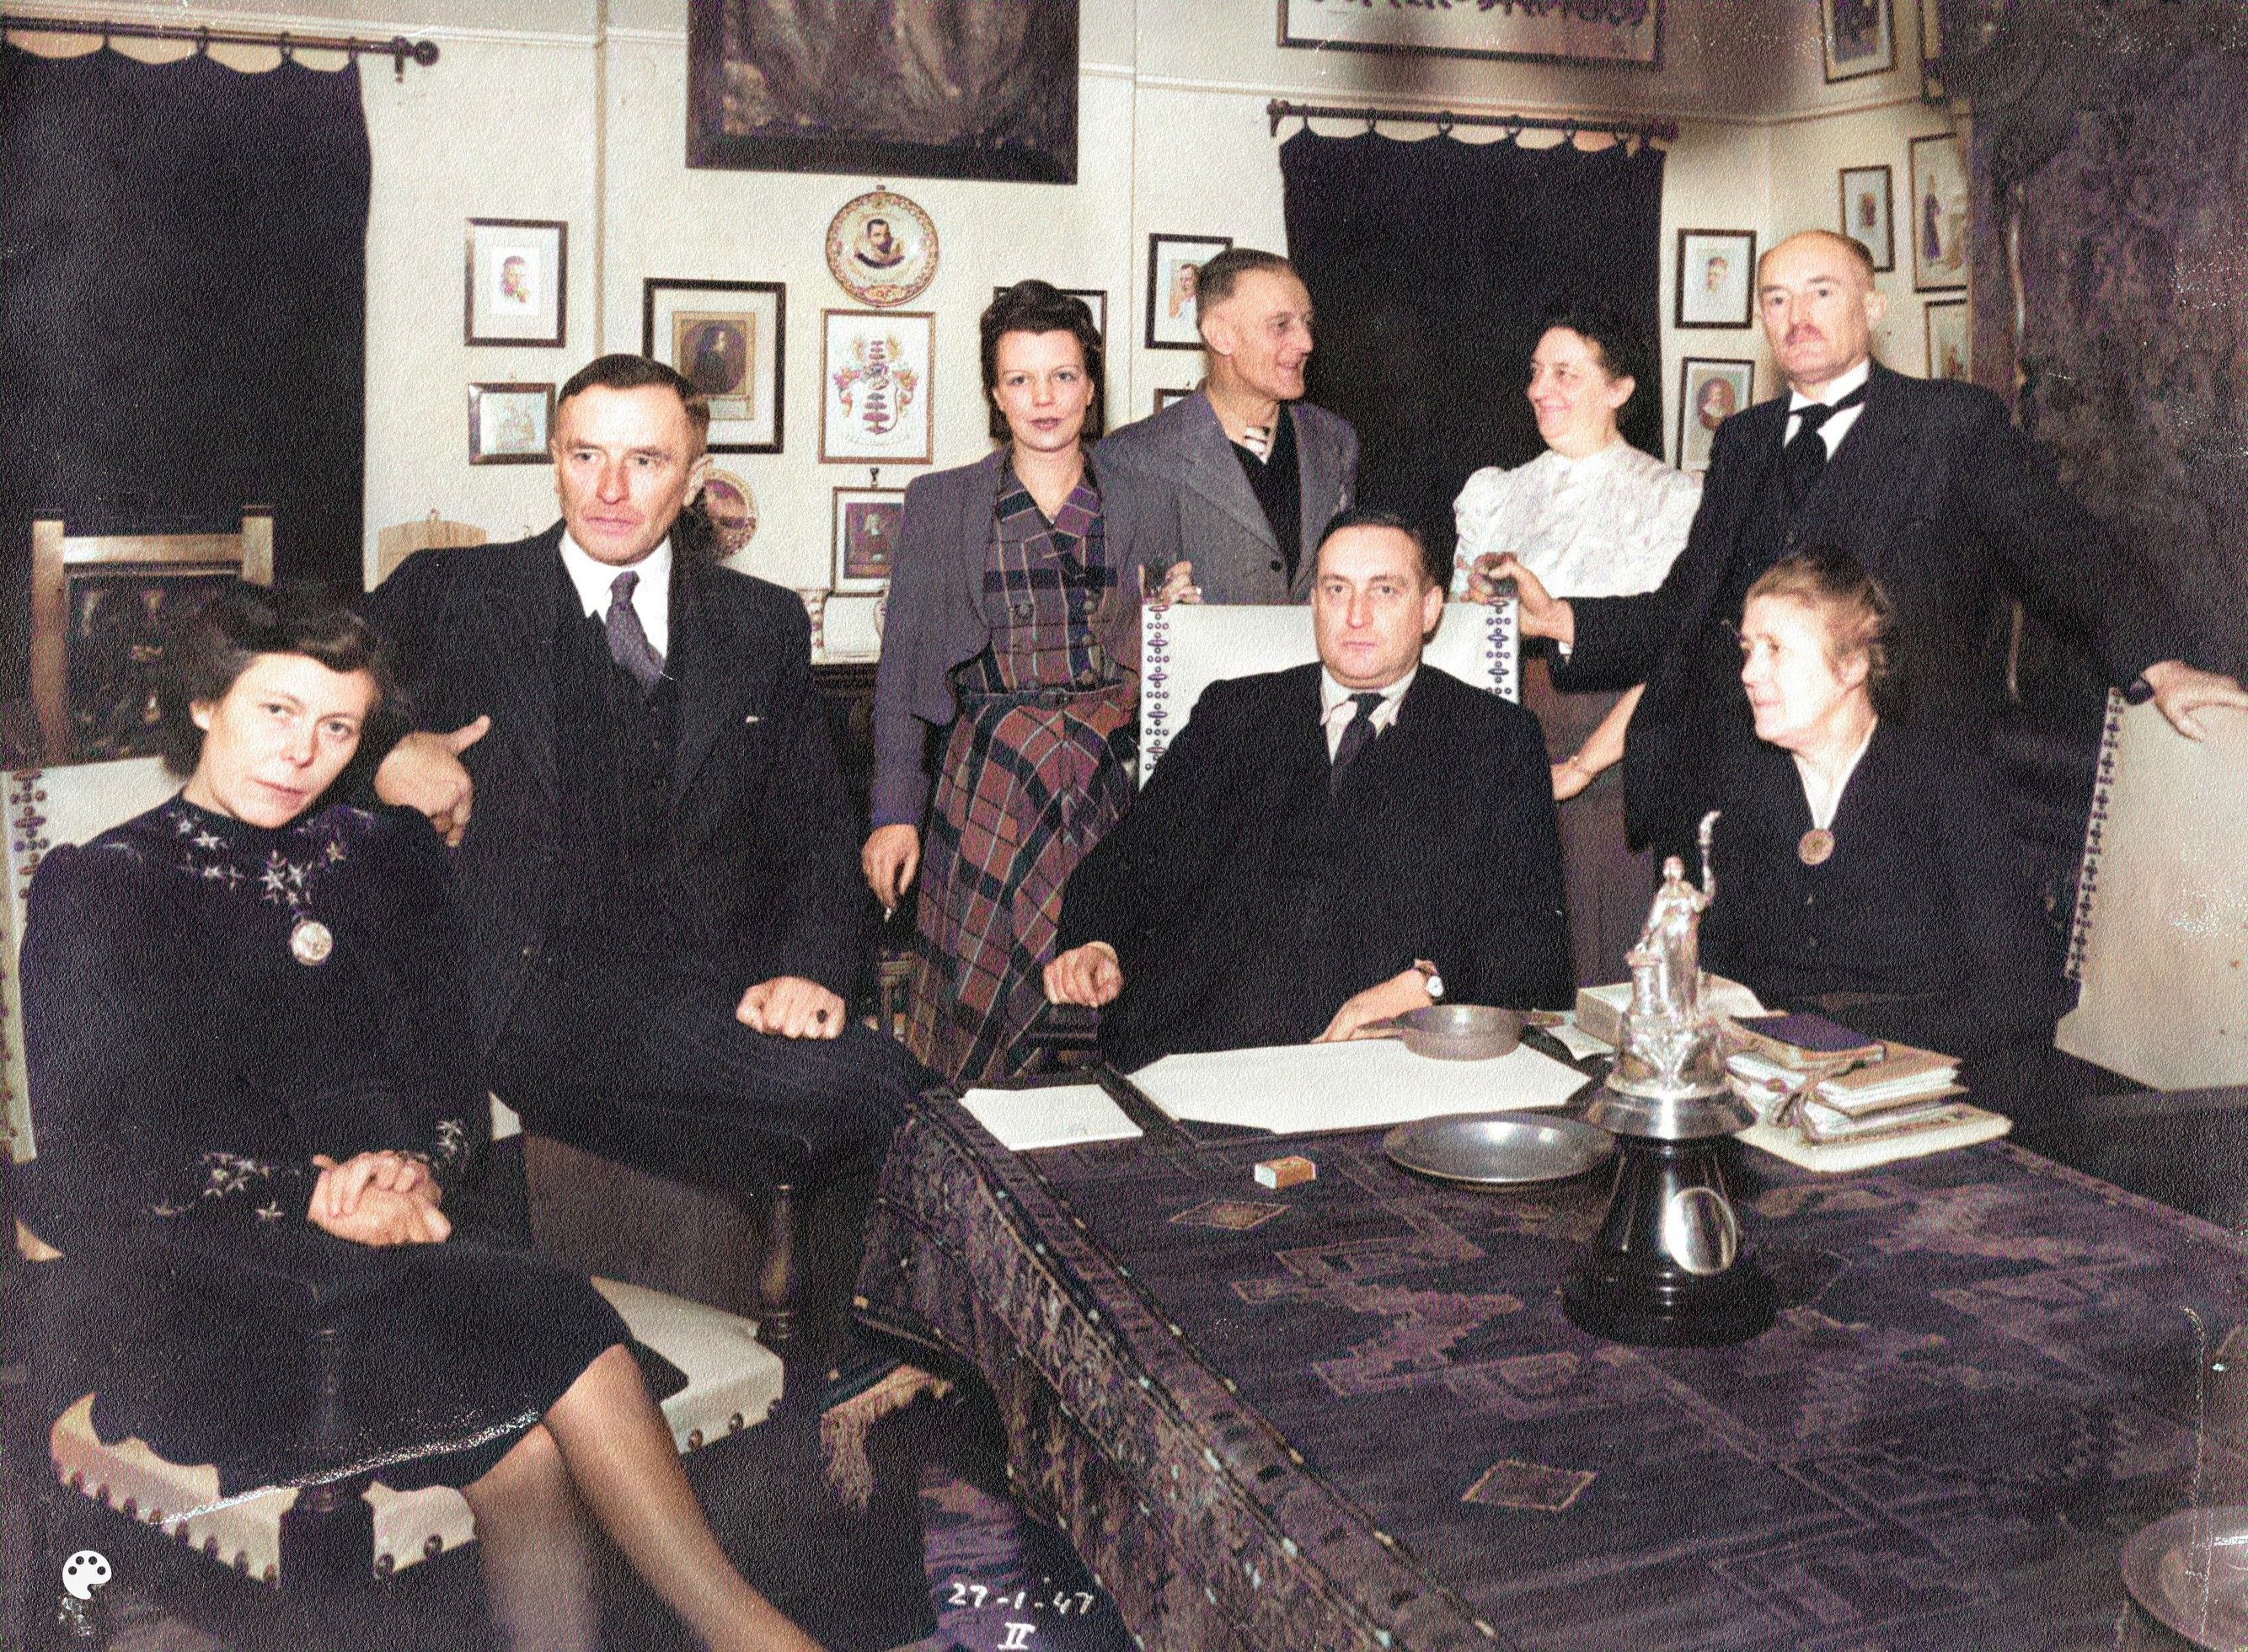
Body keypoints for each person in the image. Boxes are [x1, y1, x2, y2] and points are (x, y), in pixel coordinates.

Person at [19, 583, 822, 1652]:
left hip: (402, 1243)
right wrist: (311, 1190)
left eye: (337, 726)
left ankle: (742, 1637)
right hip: (208, 1282)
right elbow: (87, 1161)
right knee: (537, 1372)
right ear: (207, 703)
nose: (302, 751)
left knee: (524, 1447)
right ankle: (755, 1636)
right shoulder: (102, 885)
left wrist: (416, 1169)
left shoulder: (385, 856)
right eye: (275, 711)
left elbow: (450, 1079)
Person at [367, 354, 920, 1361]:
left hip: (726, 989)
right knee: (888, 1091)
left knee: (881, 1090)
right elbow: (258, 680)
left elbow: (810, 829)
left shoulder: (758, 622)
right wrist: (383, 752)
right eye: (586, 455)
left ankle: (854, 1383)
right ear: (554, 460)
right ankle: (876, 1379)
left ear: (695, 471)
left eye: (646, 459)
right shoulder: (452, 593)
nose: (611, 489)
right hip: (529, 1000)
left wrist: (809, 966)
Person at [1476, 228, 2247, 870]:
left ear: (1873, 307)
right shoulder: (1742, 443)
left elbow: (2066, 552)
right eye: (1775, 299)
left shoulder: (1951, 425)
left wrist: (2161, 666)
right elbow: (1688, 609)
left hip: (1895, 794)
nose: (1796, 315)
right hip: (1741, 797)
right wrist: (1564, 617)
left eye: (1821, 292)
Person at [1044, 511, 1571, 1071]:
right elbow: (1130, 862)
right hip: (1204, 1058)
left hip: (1385, 1070)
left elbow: (1536, 945)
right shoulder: (1235, 714)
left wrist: (1432, 984)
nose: (1356, 615)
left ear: (1430, 608)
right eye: (1336, 589)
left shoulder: (1495, 738)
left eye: (1385, 590)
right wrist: (1099, 943)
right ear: (1314, 602)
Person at [864, 282, 1167, 1083]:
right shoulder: (942, 502)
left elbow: (1171, 647)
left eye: (1063, 376)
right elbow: (902, 671)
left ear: (1091, 386)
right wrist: (895, 815)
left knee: (1104, 982)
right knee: (985, 1014)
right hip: (992, 785)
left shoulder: (1142, 493)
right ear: (996, 393)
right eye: (1022, 380)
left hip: (1111, 778)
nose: (1044, 398)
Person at [1700, 550, 2070, 1072]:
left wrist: (1852, 1050)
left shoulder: (1946, 781)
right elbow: (1721, 968)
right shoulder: (1750, 785)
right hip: (1769, 1080)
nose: (1750, 672)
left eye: (1775, 650)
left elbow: (2015, 991)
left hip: (1914, 1087)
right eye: (1747, 649)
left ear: (1851, 664)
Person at [1453, 308, 1700, 984]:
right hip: (1504, 742)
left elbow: (1675, 654)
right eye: (1536, 372)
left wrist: (1585, 765)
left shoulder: (1670, 498)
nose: (1540, 388)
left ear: (1620, 388)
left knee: (1600, 961)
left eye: (1565, 372)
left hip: (1614, 753)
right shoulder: (1495, 493)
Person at [1099, 248, 1358, 603]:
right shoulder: (1133, 457)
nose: (1306, 343)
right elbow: (1122, 617)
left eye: (1306, 323)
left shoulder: (1335, 441)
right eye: (1281, 325)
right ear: (1220, 335)